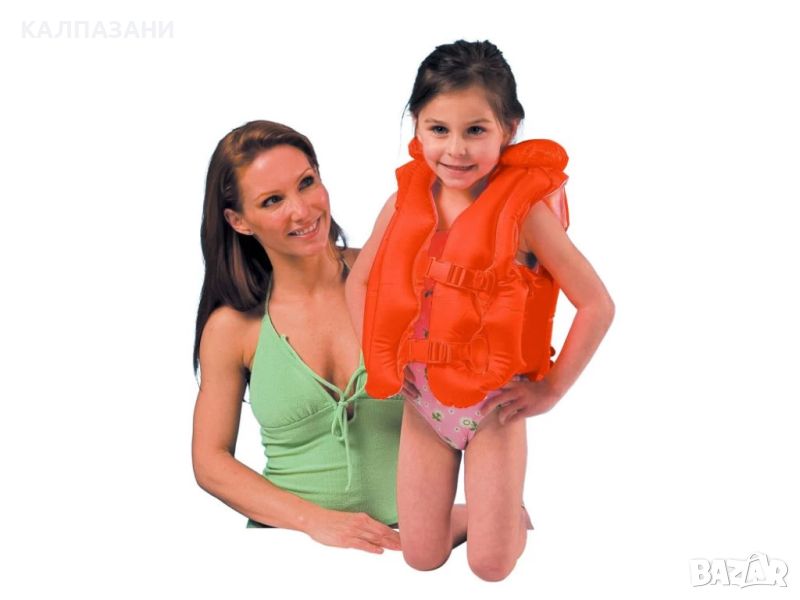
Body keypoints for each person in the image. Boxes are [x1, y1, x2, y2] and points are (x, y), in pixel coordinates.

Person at [346, 41, 615, 579]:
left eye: (475, 130)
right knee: (421, 557)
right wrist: (381, 358)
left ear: (508, 129)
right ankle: (486, 514)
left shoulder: (525, 215)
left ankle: (507, 520)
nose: (456, 149)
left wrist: (551, 390)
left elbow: (597, 304)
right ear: (417, 127)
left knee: (491, 566)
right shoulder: (402, 203)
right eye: (438, 129)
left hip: (495, 408)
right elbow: (361, 282)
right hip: (423, 402)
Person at [192, 120, 404, 554]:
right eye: (272, 201)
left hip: (409, 547)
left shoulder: (392, 279)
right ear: (238, 220)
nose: (303, 211)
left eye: (306, 183)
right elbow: (210, 462)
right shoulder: (233, 327)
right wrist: (316, 522)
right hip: (287, 548)